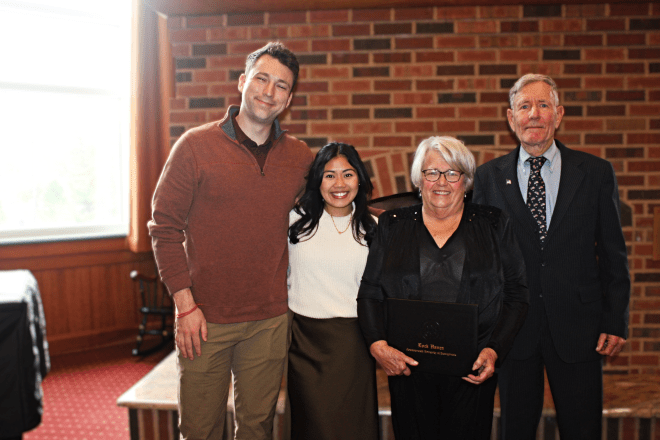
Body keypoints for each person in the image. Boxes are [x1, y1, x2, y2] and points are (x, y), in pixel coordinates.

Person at [148, 41, 313, 440]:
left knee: (256, 427)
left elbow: (332, 208)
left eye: (281, 86)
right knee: (200, 430)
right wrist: (184, 305)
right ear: (242, 82)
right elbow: (164, 227)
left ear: (289, 98)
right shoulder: (194, 146)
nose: (268, 92)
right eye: (261, 79)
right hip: (204, 318)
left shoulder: (301, 157)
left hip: (270, 319)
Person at [472, 74, 630, 440]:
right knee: (517, 429)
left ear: (558, 115)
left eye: (543, 105)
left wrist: (615, 319)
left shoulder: (594, 173)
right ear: (510, 119)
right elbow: (482, 263)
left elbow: (612, 253)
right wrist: (482, 328)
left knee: (583, 429)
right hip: (514, 330)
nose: (534, 114)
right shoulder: (488, 178)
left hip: (580, 327)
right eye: (524, 106)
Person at [357, 136, 529, 440]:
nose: (441, 182)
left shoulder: (493, 224)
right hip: (408, 369)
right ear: (418, 180)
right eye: (431, 172)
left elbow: (517, 294)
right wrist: (377, 345)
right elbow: (370, 291)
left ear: (466, 180)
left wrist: (494, 350)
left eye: (452, 173)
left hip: (471, 370)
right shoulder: (393, 225)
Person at [286, 142, 379, 440]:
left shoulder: (375, 228)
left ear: (360, 179)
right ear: (317, 180)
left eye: (348, 174)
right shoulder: (294, 222)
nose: (339, 184)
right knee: (312, 426)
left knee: (354, 427)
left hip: (354, 344)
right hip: (304, 342)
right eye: (329, 175)